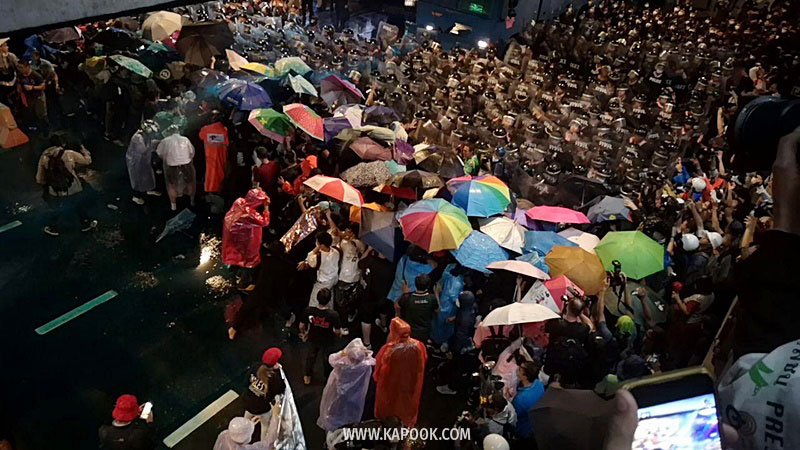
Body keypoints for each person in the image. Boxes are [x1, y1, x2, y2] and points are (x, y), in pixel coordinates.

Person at [35, 135, 97, 236]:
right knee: (79, 205)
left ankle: (53, 228)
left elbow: (39, 179)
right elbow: (87, 161)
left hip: (55, 190)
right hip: (73, 187)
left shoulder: (44, 158)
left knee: (58, 209)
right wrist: (84, 150)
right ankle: (86, 223)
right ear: (63, 144)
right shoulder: (69, 154)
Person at [373, 318, 427, 427]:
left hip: (391, 384)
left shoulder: (389, 349)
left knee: (390, 405)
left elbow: (378, 370)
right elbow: (423, 362)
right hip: (410, 383)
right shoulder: (419, 345)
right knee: (406, 404)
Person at [317, 338, 375, 432]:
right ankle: (350, 422)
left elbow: (331, 359)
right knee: (352, 405)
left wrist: (342, 353)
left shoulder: (343, 363)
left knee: (336, 404)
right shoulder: (365, 364)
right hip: (356, 390)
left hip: (339, 388)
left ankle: (334, 423)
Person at [221, 188, 270, 290]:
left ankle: (234, 275)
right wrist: (266, 208)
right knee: (248, 260)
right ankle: (243, 284)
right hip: (247, 238)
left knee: (237, 254)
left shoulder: (239, 202)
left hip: (235, 235)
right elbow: (264, 222)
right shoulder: (251, 214)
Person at [327, 210, 366, 332]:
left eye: (349, 230)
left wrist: (329, 217)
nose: (347, 232)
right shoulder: (359, 243)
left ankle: (344, 325)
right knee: (349, 300)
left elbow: (337, 233)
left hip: (346, 277)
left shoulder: (351, 243)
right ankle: (351, 314)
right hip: (352, 276)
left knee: (341, 302)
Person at [543, 296, 591, 387]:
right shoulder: (583, 329)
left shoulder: (556, 324)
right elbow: (590, 325)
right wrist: (580, 313)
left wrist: (560, 313)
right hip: (570, 366)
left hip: (552, 361)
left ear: (567, 307)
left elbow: (546, 327)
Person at [241, 348, 285, 442]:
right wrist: (278, 371)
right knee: (265, 427)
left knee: (245, 422)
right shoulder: (275, 378)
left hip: (248, 403)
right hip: (262, 409)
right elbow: (280, 391)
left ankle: (241, 439)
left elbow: (245, 382)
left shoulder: (255, 367)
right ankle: (263, 445)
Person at [299, 288, 342, 385]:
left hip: (313, 337)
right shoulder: (333, 315)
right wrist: (339, 336)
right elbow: (337, 331)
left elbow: (301, 325)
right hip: (328, 339)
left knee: (311, 356)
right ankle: (327, 378)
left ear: (317, 298)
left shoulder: (309, 310)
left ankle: (307, 376)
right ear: (329, 300)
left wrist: (304, 333)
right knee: (326, 358)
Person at [358, 247, 394, 349]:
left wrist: (368, 250)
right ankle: (383, 326)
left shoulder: (371, 260)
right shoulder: (391, 265)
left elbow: (360, 264)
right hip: (384, 295)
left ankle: (367, 343)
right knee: (383, 311)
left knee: (366, 319)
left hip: (369, 296)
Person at [156, 126, 196, 211]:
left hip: (172, 166)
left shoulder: (165, 141)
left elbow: (159, 153)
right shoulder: (185, 139)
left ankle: (173, 205)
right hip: (186, 165)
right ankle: (192, 201)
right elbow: (192, 152)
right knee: (190, 182)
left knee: (171, 185)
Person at [299, 232, 341, 309]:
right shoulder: (336, 252)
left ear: (321, 244)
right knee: (329, 299)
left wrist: (317, 248)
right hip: (333, 280)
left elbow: (310, 257)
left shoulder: (318, 257)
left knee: (314, 302)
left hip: (322, 283)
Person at [396, 273, 439, 344]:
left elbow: (397, 305)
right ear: (428, 286)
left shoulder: (407, 298)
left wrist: (404, 293)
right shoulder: (431, 298)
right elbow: (437, 310)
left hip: (409, 331)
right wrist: (436, 294)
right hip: (424, 332)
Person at [125, 121, 160, 205]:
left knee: (147, 175)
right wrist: (155, 145)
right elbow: (143, 150)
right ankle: (136, 196)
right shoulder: (138, 137)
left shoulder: (145, 135)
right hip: (135, 160)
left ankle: (149, 189)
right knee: (137, 178)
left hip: (143, 159)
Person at [511, 361, 545, 442]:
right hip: (536, 424)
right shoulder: (538, 384)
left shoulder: (520, 399)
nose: (517, 369)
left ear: (525, 376)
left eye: (519, 370)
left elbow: (513, 417)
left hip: (523, 429)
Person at [16, 59, 48, 133]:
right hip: (28, 97)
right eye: (18, 67)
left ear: (27, 67)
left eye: (21, 67)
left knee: (41, 114)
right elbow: (19, 82)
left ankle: (45, 130)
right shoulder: (20, 75)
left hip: (38, 97)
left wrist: (32, 87)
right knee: (31, 113)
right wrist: (19, 88)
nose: (19, 69)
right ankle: (35, 128)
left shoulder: (36, 75)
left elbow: (43, 87)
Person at [199, 121, 229, 194]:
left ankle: (210, 190)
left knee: (209, 175)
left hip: (209, 159)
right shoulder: (224, 131)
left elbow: (200, 136)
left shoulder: (205, 129)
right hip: (221, 160)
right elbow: (227, 145)